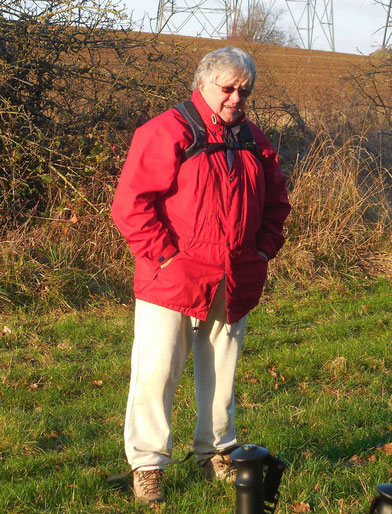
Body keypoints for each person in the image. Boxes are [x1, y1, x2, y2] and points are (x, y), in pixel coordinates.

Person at [111, 46, 291, 505]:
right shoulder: (165, 130)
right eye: (228, 88)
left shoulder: (254, 138)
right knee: (156, 371)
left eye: (244, 91)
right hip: (170, 279)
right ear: (203, 84)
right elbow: (131, 205)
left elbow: (276, 205)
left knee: (223, 373)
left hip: (235, 277)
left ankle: (217, 450)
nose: (236, 98)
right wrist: (166, 258)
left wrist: (263, 251)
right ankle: (148, 463)